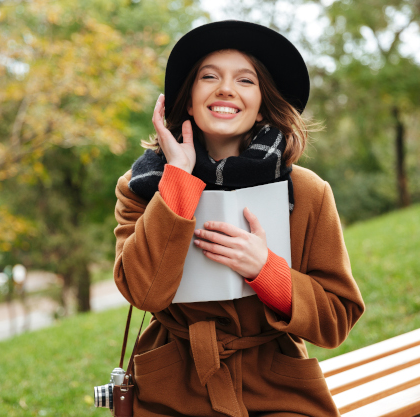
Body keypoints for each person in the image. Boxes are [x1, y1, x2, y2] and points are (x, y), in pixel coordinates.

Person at [113, 20, 365, 417]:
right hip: (171, 391)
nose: (225, 88)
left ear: (262, 102)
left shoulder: (307, 192)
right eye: (209, 76)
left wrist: (267, 270)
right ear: (189, 99)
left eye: (244, 80)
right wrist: (177, 178)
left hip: (276, 390)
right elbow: (144, 294)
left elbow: (336, 320)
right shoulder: (141, 187)